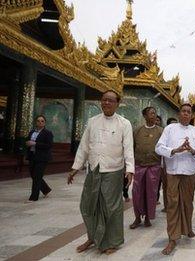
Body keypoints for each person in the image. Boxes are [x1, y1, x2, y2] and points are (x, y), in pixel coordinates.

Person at [67, 90, 135, 254]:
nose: (106, 103)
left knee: (110, 208)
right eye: (104, 100)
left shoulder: (124, 123)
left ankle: (113, 241)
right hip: (94, 169)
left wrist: (130, 169)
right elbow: (84, 146)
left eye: (111, 100)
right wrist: (75, 167)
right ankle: (92, 237)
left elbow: (128, 148)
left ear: (117, 103)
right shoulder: (92, 121)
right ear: (100, 102)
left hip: (113, 170)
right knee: (88, 205)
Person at [155, 104, 195, 255]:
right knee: (172, 204)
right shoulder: (169, 129)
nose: (185, 114)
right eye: (183, 111)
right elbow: (158, 147)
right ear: (179, 114)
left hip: (189, 172)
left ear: (191, 115)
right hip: (172, 172)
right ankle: (172, 238)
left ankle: (188, 228)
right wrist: (175, 150)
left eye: (188, 112)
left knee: (187, 203)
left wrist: (192, 150)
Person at [130, 107, 164, 229]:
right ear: (144, 116)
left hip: (154, 167)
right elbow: (131, 148)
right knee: (137, 192)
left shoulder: (161, 131)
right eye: (151, 113)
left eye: (155, 113)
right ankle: (137, 217)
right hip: (139, 166)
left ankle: (148, 218)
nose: (154, 115)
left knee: (151, 193)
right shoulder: (137, 131)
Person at [26, 115, 53, 202]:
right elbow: (28, 141)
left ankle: (33, 197)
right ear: (36, 122)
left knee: (37, 177)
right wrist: (28, 143)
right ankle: (46, 189)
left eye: (42, 121)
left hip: (42, 157)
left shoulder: (48, 133)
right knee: (33, 175)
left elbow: (49, 145)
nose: (40, 122)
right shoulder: (32, 132)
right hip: (32, 156)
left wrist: (35, 144)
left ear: (44, 123)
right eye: (38, 121)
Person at [157, 117, 179, 211]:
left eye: (175, 124)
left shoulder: (178, 136)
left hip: (176, 165)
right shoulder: (164, 134)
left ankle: (174, 205)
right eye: (171, 124)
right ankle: (167, 206)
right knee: (166, 187)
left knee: (174, 188)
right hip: (163, 165)